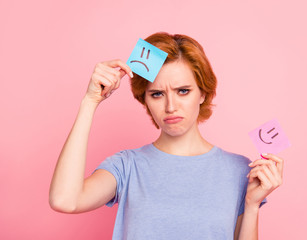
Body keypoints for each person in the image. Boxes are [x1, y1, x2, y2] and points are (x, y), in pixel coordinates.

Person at [49, 32, 284, 240]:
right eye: (157, 94)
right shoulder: (127, 166)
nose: (171, 106)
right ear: (145, 99)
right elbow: (64, 200)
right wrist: (90, 101)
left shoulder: (240, 170)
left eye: (183, 91)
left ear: (203, 93)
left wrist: (252, 205)